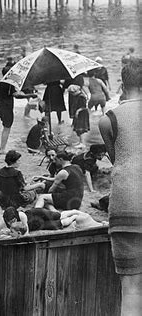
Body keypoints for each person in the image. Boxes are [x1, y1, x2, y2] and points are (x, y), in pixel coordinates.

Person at [99, 59, 142, 315]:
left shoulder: (108, 120)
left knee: (131, 288)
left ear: (123, 85)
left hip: (126, 205)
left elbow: (118, 159)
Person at [0, 66, 36, 153]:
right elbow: (16, 96)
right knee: (7, 127)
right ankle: (2, 148)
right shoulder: (9, 84)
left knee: (5, 127)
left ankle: (1, 146)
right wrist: (29, 95)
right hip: (7, 108)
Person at [68, 84, 90, 149]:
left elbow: (84, 106)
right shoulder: (77, 96)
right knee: (77, 128)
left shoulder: (81, 96)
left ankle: (82, 143)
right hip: (79, 114)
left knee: (81, 129)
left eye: (72, 93)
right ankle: (80, 141)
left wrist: (78, 111)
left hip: (82, 114)